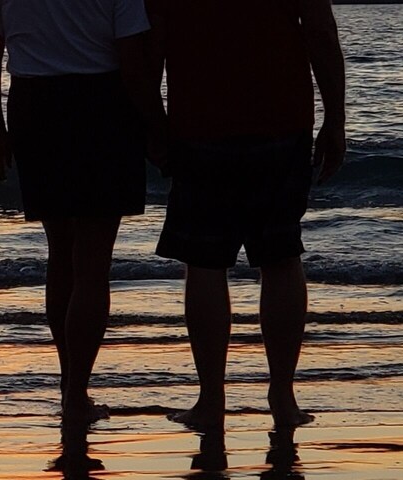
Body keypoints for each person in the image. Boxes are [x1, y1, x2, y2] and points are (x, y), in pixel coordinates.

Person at [148, 0, 346, 430]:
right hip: (281, 120)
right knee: (279, 256)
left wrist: (154, 125)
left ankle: (211, 400)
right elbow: (319, 30)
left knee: (204, 262)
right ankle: (282, 396)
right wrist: (336, 118)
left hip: (198, 123)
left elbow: (151, 42)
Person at [0, 0, 168, 434]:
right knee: (92, 264)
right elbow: (133, 64)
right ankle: (76, 394)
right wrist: (158, 127)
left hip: (34, 106)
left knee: (61, 254)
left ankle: (71, 386)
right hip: (102, 105)